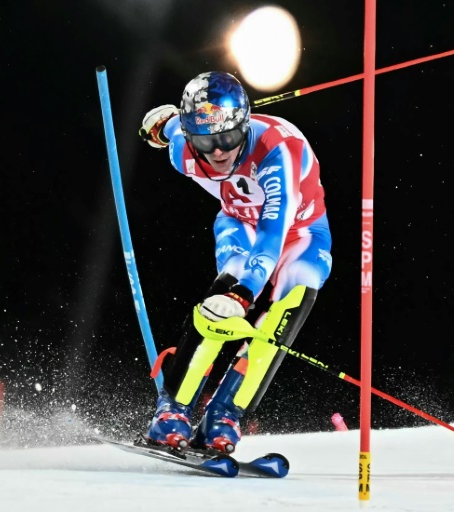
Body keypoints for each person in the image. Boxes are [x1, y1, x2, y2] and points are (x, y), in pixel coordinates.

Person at [137, 71, 333, 453]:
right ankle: (172, 410)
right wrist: (161, 128)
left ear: (243, 125)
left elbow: (274, 232)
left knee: (291, 292)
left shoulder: (278, 151)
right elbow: (173, 127)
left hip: (299, 231)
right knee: (225, 291)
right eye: (206, 142)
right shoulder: (184, 152)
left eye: (227, 138)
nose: (218, 152)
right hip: (239, 219)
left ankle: (225, 414)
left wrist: (246, 295)